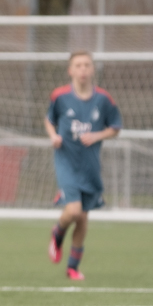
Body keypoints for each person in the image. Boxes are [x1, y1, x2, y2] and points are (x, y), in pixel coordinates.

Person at [45, 50, 122, 280]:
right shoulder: (59, 96)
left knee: (83, 218)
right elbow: (49, 121)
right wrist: (53, 136)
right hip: (66, 161)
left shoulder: (104, 99)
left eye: (87, 65)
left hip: (90, 166)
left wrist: (98, 136)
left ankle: (72, 267)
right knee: (74, 211)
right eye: (78, 65)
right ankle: (57, 232)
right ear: (70, 70)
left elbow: (116, 127)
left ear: (92, 69)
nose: (83, 69)